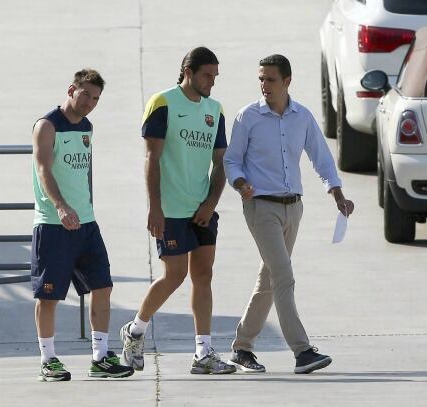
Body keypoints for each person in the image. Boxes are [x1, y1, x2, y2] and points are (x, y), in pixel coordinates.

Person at [223, 54, 355, 374]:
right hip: (260, 208)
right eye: (261, 79)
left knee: (268, 279)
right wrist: (240, 183)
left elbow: (321, 158)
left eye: (270, 79)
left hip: (293, 208)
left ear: (287, 81)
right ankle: (302, 351)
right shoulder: (248, 116)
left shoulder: (302, 117)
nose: (264, 85)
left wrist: (336, 192)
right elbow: (231, 161)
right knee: (284, 276)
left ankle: (242, 348)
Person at [120, 46, 235, 375]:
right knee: (174, 275)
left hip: (202, 210)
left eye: (215, 76)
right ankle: (135, 331)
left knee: (204, 275)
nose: (211, 82)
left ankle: (203, 353)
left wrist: (211, 202)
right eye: (206, 75)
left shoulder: (215, 109)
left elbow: (220, 161)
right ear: (188, 71)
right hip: (170, 210)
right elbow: (151, 158)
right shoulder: (163, 102)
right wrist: (154, 207)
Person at [31, 69, 134, 381]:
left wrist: (83, 209)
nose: (90, 102)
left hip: (87, 224)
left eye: (96, 98)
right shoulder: (47, 125)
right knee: (48, 296)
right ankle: (48, 360)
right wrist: (61, 206)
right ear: (71, 89)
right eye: (86, 94)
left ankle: (100, 357)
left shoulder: (87, 126)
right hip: (53, 225)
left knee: (103, 287)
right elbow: (43, 170)